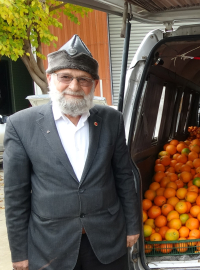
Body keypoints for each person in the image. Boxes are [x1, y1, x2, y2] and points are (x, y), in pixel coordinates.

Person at [4, 35, 140, 270]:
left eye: (83, 79)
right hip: (50, 248)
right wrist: (19, 252)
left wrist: (132, 226)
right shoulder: (21, 125)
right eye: (65, 77)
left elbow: (124, 178)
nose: (74, 86)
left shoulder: (111, 120)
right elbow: (16, 195)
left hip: (107, 241)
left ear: (94, 84)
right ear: (50, 79)